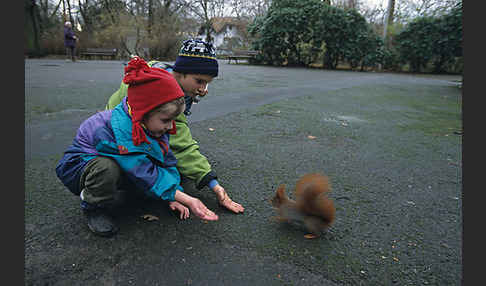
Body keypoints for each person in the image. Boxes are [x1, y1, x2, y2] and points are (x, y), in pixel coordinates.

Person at [56, 57, 219, 237]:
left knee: (157, 168)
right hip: (81, 166)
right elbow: (139, 168)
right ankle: (93, 206)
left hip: (123, 161)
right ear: (143, 113)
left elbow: (166, 161)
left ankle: (130, 190)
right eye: (166, 120)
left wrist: (174, 194)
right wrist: (187, 198)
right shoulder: (114, 128)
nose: (170, 126)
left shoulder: (150, 124)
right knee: (107, 169)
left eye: (173, 120)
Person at [105, 39, 245, 214]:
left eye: (207, 83)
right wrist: (212, 184)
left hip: (139, 129)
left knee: (173, 165)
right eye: (199, 81)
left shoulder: (172, 82)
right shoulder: (155, 92)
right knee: (130, 173)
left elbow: (175, 136)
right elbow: (180, 143)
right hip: (117, 136)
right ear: (181, 73)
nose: (203, 89)